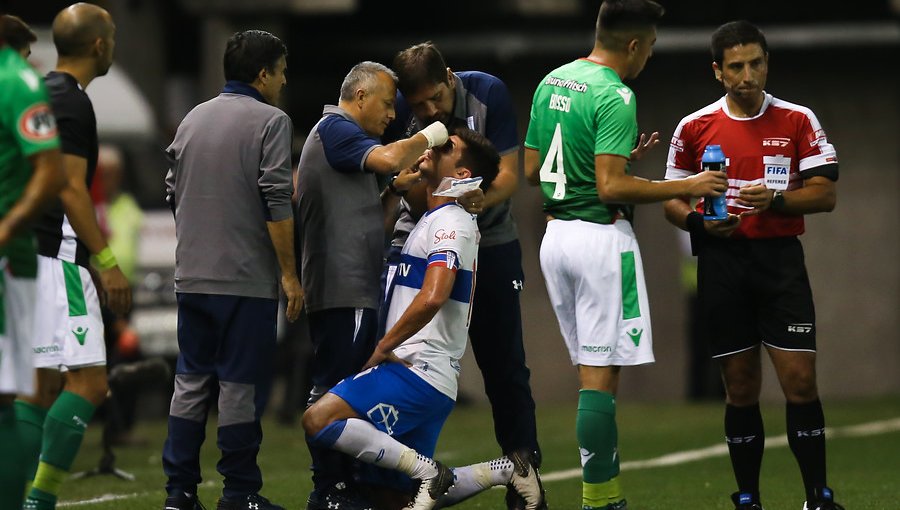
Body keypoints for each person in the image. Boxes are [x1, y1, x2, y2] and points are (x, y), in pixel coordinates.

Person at [522, 1, 728, 508]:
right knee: (600, 380)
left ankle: (602, 496)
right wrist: (688, 184)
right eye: (652, 44)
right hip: (598, 239)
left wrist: (608, 163)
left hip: (556, 241)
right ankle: (601, 499)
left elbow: (532, 171)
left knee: (588, 375)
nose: (650, 54)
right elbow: (611, 188)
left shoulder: (554, 80)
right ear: (633, 44)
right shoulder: (616, 94)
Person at [303, 127, 542, 510]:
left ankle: (429, 473)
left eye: (446, 147)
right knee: (391, 499)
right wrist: (399, 186)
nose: (432, 147)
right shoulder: (434, 217)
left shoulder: (451, 221)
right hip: (430, 376)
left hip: (416, 369)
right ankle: (507, 471)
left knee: (319, 419)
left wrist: (383, 346)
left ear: (462, 175)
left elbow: (434, 296)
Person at [662, 20, 843, 510]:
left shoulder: (797, 119)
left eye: (756, 63)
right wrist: (700, 225)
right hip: (722, 262)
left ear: (767, 63)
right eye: (737, 66)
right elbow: (673, 201)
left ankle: (818, 498)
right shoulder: (694, 127)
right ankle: (748, 498)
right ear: (718, 72)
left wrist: (778, 202)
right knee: (740, 387)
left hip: (780, 261)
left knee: (800, 381)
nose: (748, 75)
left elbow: (825, 194)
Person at [383, 41, 544, 509]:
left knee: (506, 370)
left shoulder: (486, 92)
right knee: (410, 365)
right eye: (419, 106)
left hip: (490, 246)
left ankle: (525, 483)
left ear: (450, 77)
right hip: (428, 250)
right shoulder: (400, 110)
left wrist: (476, 201)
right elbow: (402, 183)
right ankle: (400, 485)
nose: (430, 111)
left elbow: (510, 176)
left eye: (436, 97)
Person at [295, 60, 451, 510]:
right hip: (343, 285)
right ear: (359, 97)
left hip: (351, 283)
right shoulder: (337, 129)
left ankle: (346, 485)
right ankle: (331, 488)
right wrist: (433, 134)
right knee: (335, 389)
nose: (390, 116)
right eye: (386, 105)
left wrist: (395, 193)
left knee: (345, 386)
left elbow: (373, 225)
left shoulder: (348, 147)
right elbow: (387, 157)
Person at [162, 29, 302, 510]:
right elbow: (277, 199)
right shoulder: (272, 121)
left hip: (193, 277)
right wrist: (289, 274)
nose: (283, 81)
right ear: (263, 74)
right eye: (281, 71)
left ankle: (178, 493)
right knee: (240, 385)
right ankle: (240, 493)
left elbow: (172, 193)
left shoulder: (191, 119)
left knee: (190, 381)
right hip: (244, 280)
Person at [13, 5, 130, 510]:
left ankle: (17, 494)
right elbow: (71, 189)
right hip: (59, 260)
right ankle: (39, 499)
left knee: (36, 390)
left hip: (27, 259)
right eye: (113, 37)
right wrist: (104, 260)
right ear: (99, 46)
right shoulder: (71, 101)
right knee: (89, 383)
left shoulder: (43, 92)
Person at [0, 30, 66, 509]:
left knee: (6, 399)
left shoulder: (19, 81)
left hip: (10, 259)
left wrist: (9, 227)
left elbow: (50, 171)